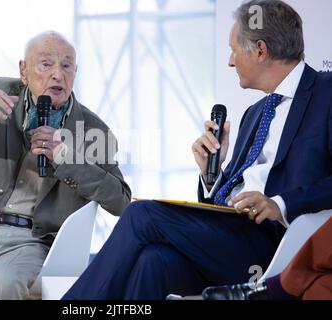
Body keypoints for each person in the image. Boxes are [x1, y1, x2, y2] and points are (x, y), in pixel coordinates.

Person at [62, 0, 332, 300]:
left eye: (234, 50)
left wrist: (279, 203)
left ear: (259, 50)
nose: (230, 62)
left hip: (274, 243)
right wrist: (210, 177)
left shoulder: (326, 92)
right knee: (152, 261)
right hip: (228, 235)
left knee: (142, 215)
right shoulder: (255, 113)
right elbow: (226, 195)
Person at [0, 31, 131, 300]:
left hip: (29, 242)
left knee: (4, 285)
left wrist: (65, 157)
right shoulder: (0, 96)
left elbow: (121, 200)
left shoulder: (92, 129)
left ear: (75, 72)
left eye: (66, 65)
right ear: (23, 71)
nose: (57, 74)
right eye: (46, 63)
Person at [202, 216, 332, 300]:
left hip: (267, 227)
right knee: (321, 285)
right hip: (226, 220)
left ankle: (279, 287)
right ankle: (279, 287)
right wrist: (210, 183)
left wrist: (281, 204)